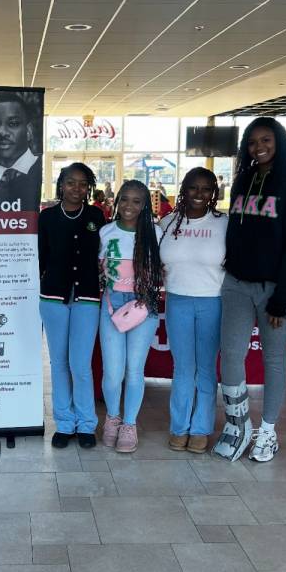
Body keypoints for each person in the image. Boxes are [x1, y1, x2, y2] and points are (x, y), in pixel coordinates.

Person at [213, 117, 286, 463]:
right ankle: (238, 424)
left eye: (266, 140)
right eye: (253, 142)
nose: (259, 147)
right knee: (230, 354)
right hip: (237, 283)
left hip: (275, 290)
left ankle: (268, 431)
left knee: (273, 358)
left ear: (279, 141)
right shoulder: (243, 180)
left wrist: (283, 297)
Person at [159, 168, 227, 454]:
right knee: (183, 368)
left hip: (213, 301)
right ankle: (179, 427)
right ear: (183, 190)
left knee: (206, 369)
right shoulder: (167, 222)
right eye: (193, 188)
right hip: (177, 301)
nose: (199, 194)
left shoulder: (225, 224)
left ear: (214, 193)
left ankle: (200, 429)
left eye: (206, 189)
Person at [39, 163, 105, 449]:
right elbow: (40, 258)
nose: (76, 188)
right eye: (70, 182)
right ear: (61, 185)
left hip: (88, 299)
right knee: (59, 363)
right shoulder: (48, 217)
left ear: (88, 187)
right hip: (53, 298)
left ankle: (87, 424)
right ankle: (64, 424)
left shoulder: (96, 216)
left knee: (81, 364)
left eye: (82, 183)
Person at [99, 180, 162, 453]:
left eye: (137, 201)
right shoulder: (105, 232)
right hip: (112, 304)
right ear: (117, 201)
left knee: (134, 371)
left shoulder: (155, 234)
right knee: (113, 372)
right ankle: (112, 417)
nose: (129, 205)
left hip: (143, 306)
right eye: (125, 199)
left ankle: (129, 424)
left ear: (145, 204)